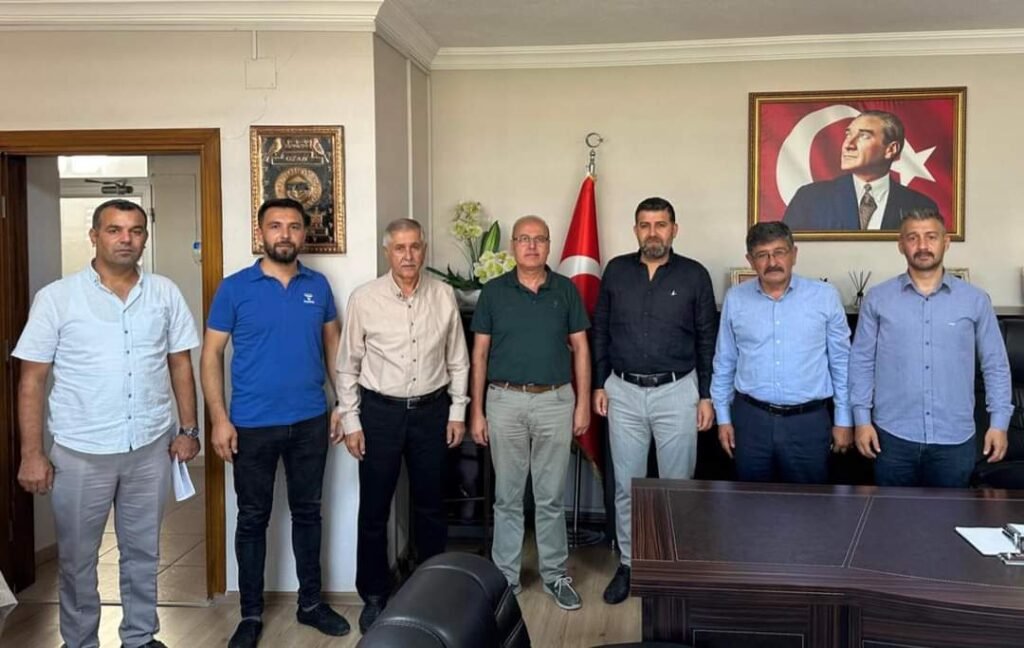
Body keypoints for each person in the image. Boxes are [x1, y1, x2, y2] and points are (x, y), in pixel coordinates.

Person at [14, 199, 200, 648]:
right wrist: (32, 453)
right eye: (114, 230)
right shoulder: (57, 298)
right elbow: (32, 379)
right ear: (94, 235)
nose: (125, 239)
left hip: (149, 448)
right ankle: (80, 641)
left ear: (145, 238)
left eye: (135, 230)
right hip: (81, 453)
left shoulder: (164, 293)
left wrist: (189, 430)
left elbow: (180, 364)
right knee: (77, 560)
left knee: (143, 552)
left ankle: (140, 636)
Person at [200, 198, 348, 647]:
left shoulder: (318, 286)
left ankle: (311, 604)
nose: (285, 234)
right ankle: (250, 615)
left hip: (310, 421)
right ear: (260, 232)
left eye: (294, 226)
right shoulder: (234, 288)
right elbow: (211, 355)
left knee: (308, 514)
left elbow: (334, 348)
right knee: (252, 519)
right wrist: (219, 419)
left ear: (305, 233)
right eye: (276, 225)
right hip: (250, 424)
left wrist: (343, 404)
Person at [336, 218, 470, 634]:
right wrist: (351, 420)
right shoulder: (365, 299)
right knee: (375, 508)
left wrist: (458, 412)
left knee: (431, 506)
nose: (408, 256)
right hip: (380, 414)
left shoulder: (443, 295)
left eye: (415, 247)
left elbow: (458, 359)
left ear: (424, 250)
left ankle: (430, 593)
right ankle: (375, 595)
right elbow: (347, 366)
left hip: (432, 412)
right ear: (387, 253)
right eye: (400, 248)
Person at [591, 197, 716, 605]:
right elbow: (600, 331)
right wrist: (599, 384)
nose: (652, 233)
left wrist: (706, 395)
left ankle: (671, 567)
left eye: (660, 224)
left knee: (675, 488)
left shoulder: (694, 275)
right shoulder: (616, 271)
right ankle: (630, 564)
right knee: (627, 488)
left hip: (677, 390)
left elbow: (707, 338)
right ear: (635, 230)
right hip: (623, 391)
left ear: (674, 229)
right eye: (645, 225)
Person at [469, 215, 591, 610]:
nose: (532, 246)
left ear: (549, 245)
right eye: (524, 239)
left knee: (550, 496)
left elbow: (581, 349)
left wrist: (582, 404)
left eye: (539, 239)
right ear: (513, 246)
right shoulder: (494, 292)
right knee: (507, 496)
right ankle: (505, 578)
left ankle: (554, 575)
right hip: (504, 401)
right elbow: (480, 355)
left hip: (556, 401)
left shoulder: (566, 290)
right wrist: (476, 412)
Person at [849, 208, 1012, 487]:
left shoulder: (975, 300)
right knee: (890, 513)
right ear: (901, 245)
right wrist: (861, 420)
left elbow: (995, 364)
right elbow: (861, 363)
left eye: (931, 237)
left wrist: (999, 424)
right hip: (891, 436)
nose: (922, 246)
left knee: (952, 514)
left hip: (954, 438)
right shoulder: (878, 299)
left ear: (945, 242)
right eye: (913, 237)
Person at [711, 221, 853, 483]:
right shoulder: (736, 299)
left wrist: (844, 419)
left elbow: (842, 363)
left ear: (794, 254)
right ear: (750, 260)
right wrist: (723, 419)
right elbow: (725, 362)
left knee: (809, 503)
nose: (772, 262)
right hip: (751, 422)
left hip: (808, 423)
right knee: (750, 502)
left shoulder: (824, 297)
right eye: (762, 255)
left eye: (779, 252)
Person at [783, 110, 938, 231]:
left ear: (891, 149)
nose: (848, 145)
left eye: (864, 136)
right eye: (848, 134)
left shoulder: (921, 206)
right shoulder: (809, 199)